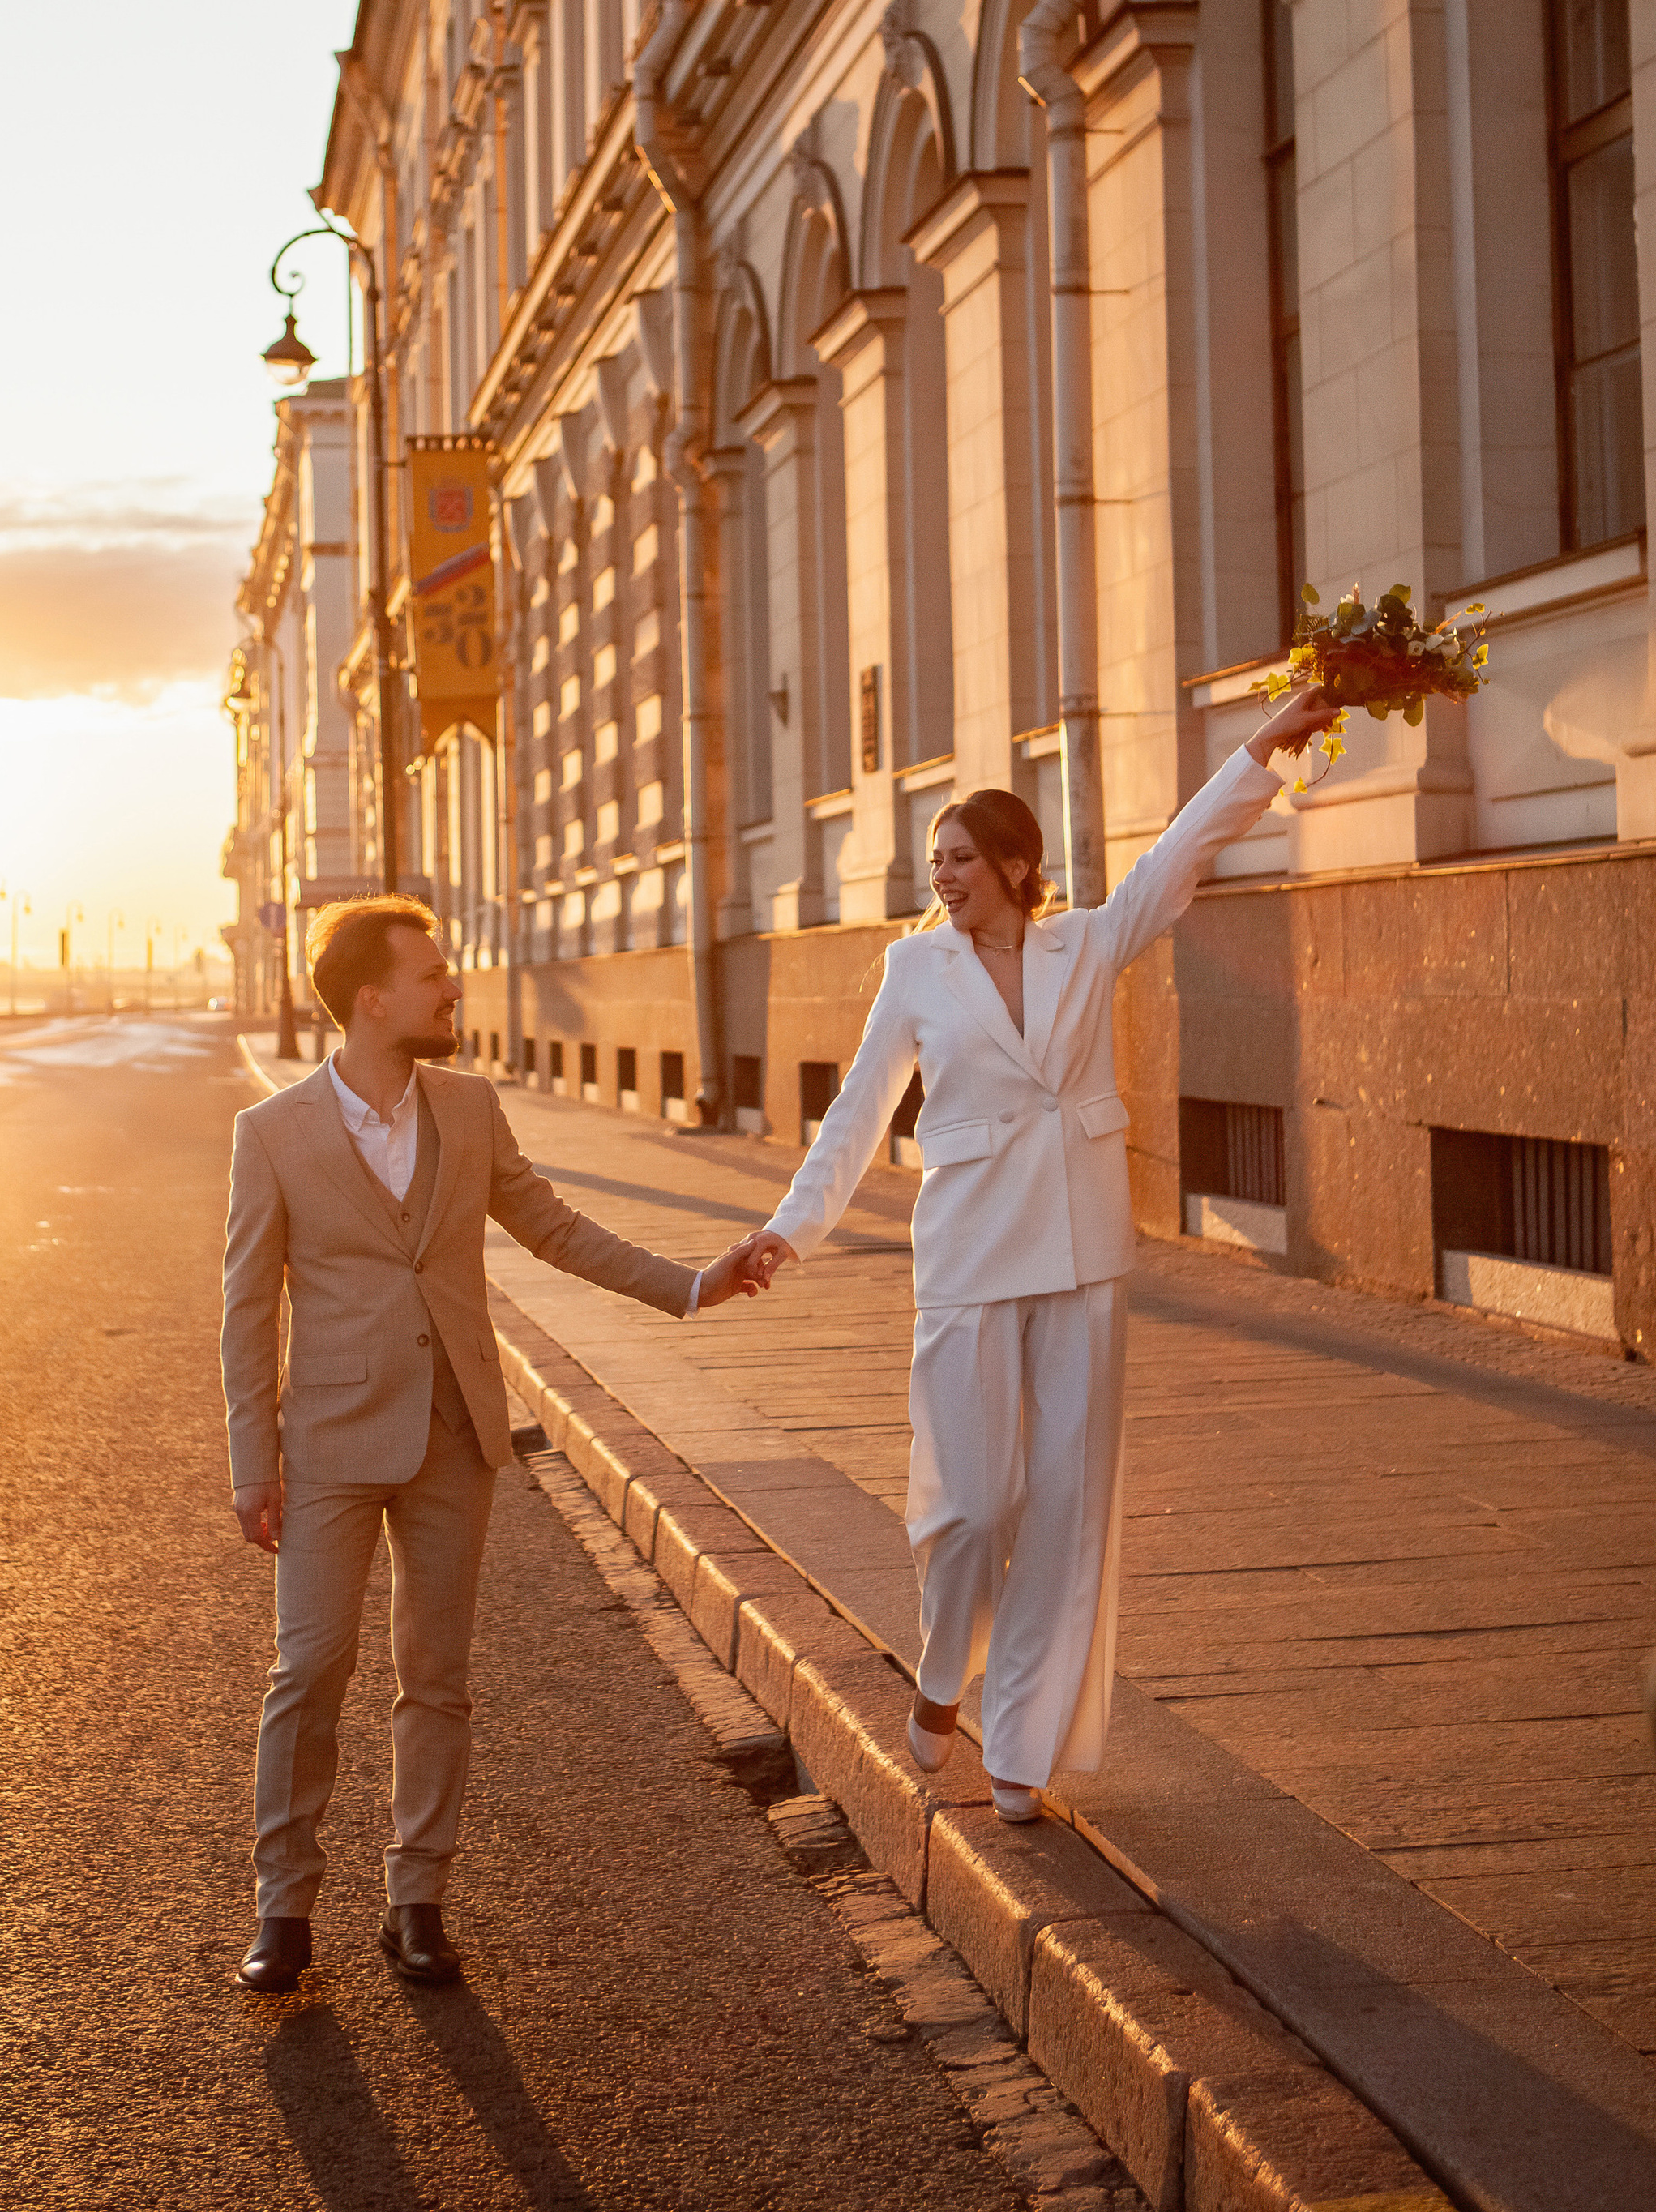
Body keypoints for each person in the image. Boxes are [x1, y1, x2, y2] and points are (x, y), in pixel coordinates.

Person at [735, 692, 1338, 1824]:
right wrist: (791, 1229)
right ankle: (940, 1669)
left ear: (1018, 864)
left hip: (1080, 1253)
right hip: (966, 1256)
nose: (944, 876)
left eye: (961, 857)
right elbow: (859, 1111)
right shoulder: (917, 970)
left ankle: (1019, 1744)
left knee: (1066, 1508)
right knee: (968, 1503)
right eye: (935, 861)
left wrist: (1273, 738)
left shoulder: (1087, 941)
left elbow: (1182, 850)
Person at [220, 893, 772, 1994]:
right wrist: (253, 1462)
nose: (453, 989)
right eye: (433, 977)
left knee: (437, 1675)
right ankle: (284, 1909)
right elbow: (246, 1307)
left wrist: (691, 1284)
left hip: (454, 1433)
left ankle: (415, 1901)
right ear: (372, 1001)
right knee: (310, 1668)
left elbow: (552, 1226)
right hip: (327, 1442)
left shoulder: (469, 1111)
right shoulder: (272, 1133)